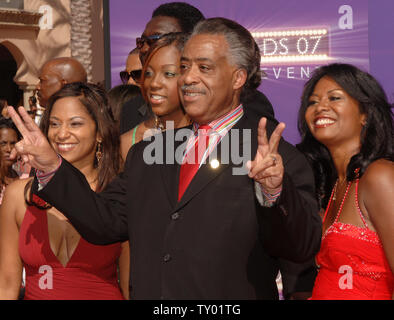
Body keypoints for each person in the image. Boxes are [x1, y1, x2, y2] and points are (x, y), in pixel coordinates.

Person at [8, 17, 321, 300]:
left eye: (204, 68)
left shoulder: (275, 159)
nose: (188, 78)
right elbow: (103, 221)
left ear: (238, 77)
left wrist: (273, 193)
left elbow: (300, 248)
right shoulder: (148, 154)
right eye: (184, 67)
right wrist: (51, 167)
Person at [0, 82, 129, 300]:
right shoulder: (17, 196)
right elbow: (6, 284)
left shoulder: (117, 196)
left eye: (75, 123)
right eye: (54, 124)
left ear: (100, 133)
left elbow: (129, 286)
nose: (62, 133)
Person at [297, 63, 394, 300]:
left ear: (365, 114)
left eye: (334, 98)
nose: (320, 107)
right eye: (313, 101)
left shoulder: (379, 176)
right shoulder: (334, 186)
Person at [119, 2, 205, 134]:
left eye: (156, 40)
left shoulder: (224, 112)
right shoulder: (130, 110)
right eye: (142, 42)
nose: (145, 49)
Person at [120, 32, 191, 161]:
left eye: (168, 74)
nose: (154, 83)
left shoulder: (216, 137)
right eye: (148, 73)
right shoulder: (129, 143)